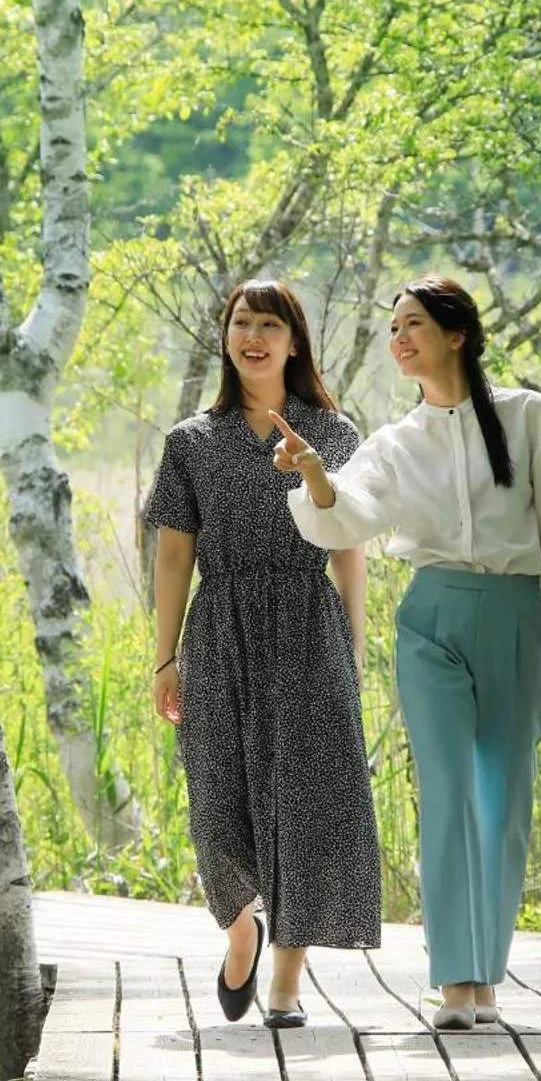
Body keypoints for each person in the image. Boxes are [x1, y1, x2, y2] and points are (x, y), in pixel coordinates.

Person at [271, 273, 541, 1030]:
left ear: (456, 334)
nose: (399, 338)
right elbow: (345, 517)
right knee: (446, 791)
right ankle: (455, 980)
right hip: (430, 620)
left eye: (412, 323)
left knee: (503, 800)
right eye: (392, 328)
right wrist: (316, 474)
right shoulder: (395, 441)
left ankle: (486, 978)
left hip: (516, 614)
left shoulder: (527, 417)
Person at [143, 278, 382, 1029]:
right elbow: (174, 553)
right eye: (241, 322)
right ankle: (238, 922)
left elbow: (348, 546)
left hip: (308, 626)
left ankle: (285, 983)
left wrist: (353, 646)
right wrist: (163, 656)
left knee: (307, 803)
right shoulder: (190, 441)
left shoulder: (333, 431)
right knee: (216, 799)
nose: (254, 335)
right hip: (218, 627)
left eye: (269, 324)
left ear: (293, 340)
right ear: (226, 337)